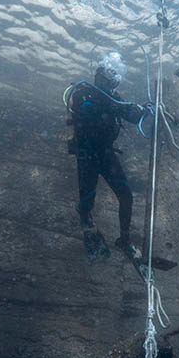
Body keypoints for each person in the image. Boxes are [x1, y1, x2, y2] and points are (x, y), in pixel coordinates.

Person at [65, 52, 153, 262]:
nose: (111, 84)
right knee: (87, 200)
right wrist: (114, 105)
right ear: (99, 77)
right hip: (87, 154)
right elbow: (86, 113)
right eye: (108, 78)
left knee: (126, 196)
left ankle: (124, 239)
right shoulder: (83, 93)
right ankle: (88, 227)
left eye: (113, 80)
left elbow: (131, 116)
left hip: (105, 153)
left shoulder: (114, 98)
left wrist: (147, 111)